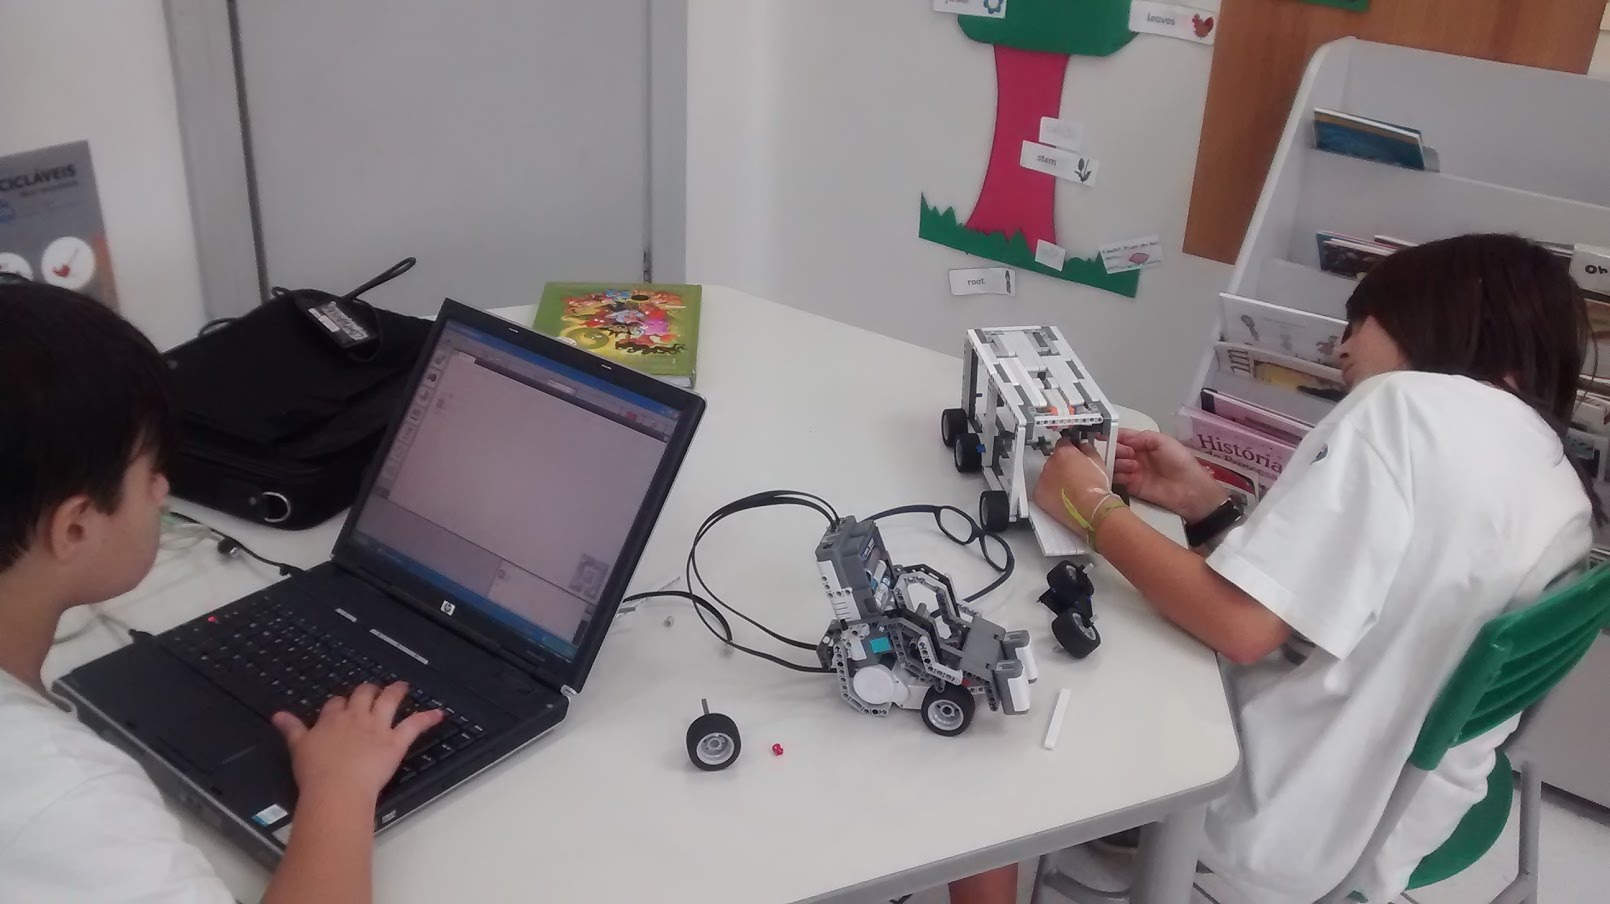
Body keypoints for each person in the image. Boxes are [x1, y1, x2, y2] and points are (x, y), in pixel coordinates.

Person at [950, 234, 1599, 904]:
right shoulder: (1558, 481)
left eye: (1359, 324)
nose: (1341, 350)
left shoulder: (1403, 408)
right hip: (1401, 818)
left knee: (985, 699)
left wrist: (1088, 506)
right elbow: (1353, 604)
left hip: (1274, 809)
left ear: (1439, 316)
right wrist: (1205, 506)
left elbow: (1242, 628)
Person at [0, 281, 443, 902]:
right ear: (75, 526)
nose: (163, 491)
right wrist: (339, 788)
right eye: (150, 473)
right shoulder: (61, 795)